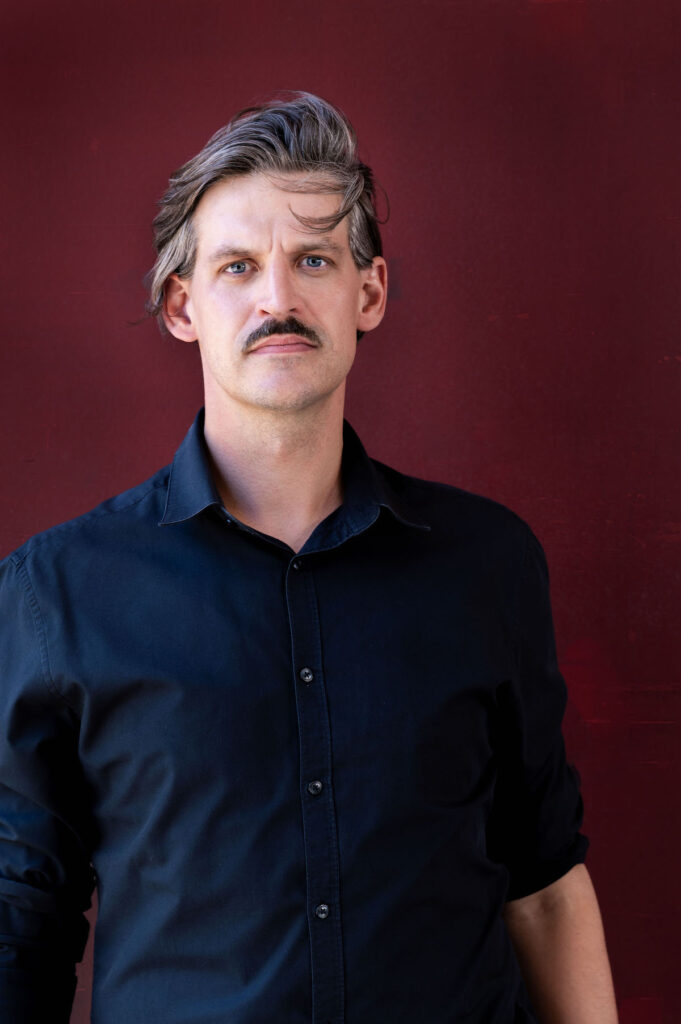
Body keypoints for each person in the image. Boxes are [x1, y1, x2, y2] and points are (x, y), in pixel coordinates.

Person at [0, 93, 617, 1024]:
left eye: (314, 260)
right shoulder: (58, 593)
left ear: (368, 293)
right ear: (182, 306)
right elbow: (19, 917)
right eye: (238, 266)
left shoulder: (486, 565)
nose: (277, 299)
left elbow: (544, 885)